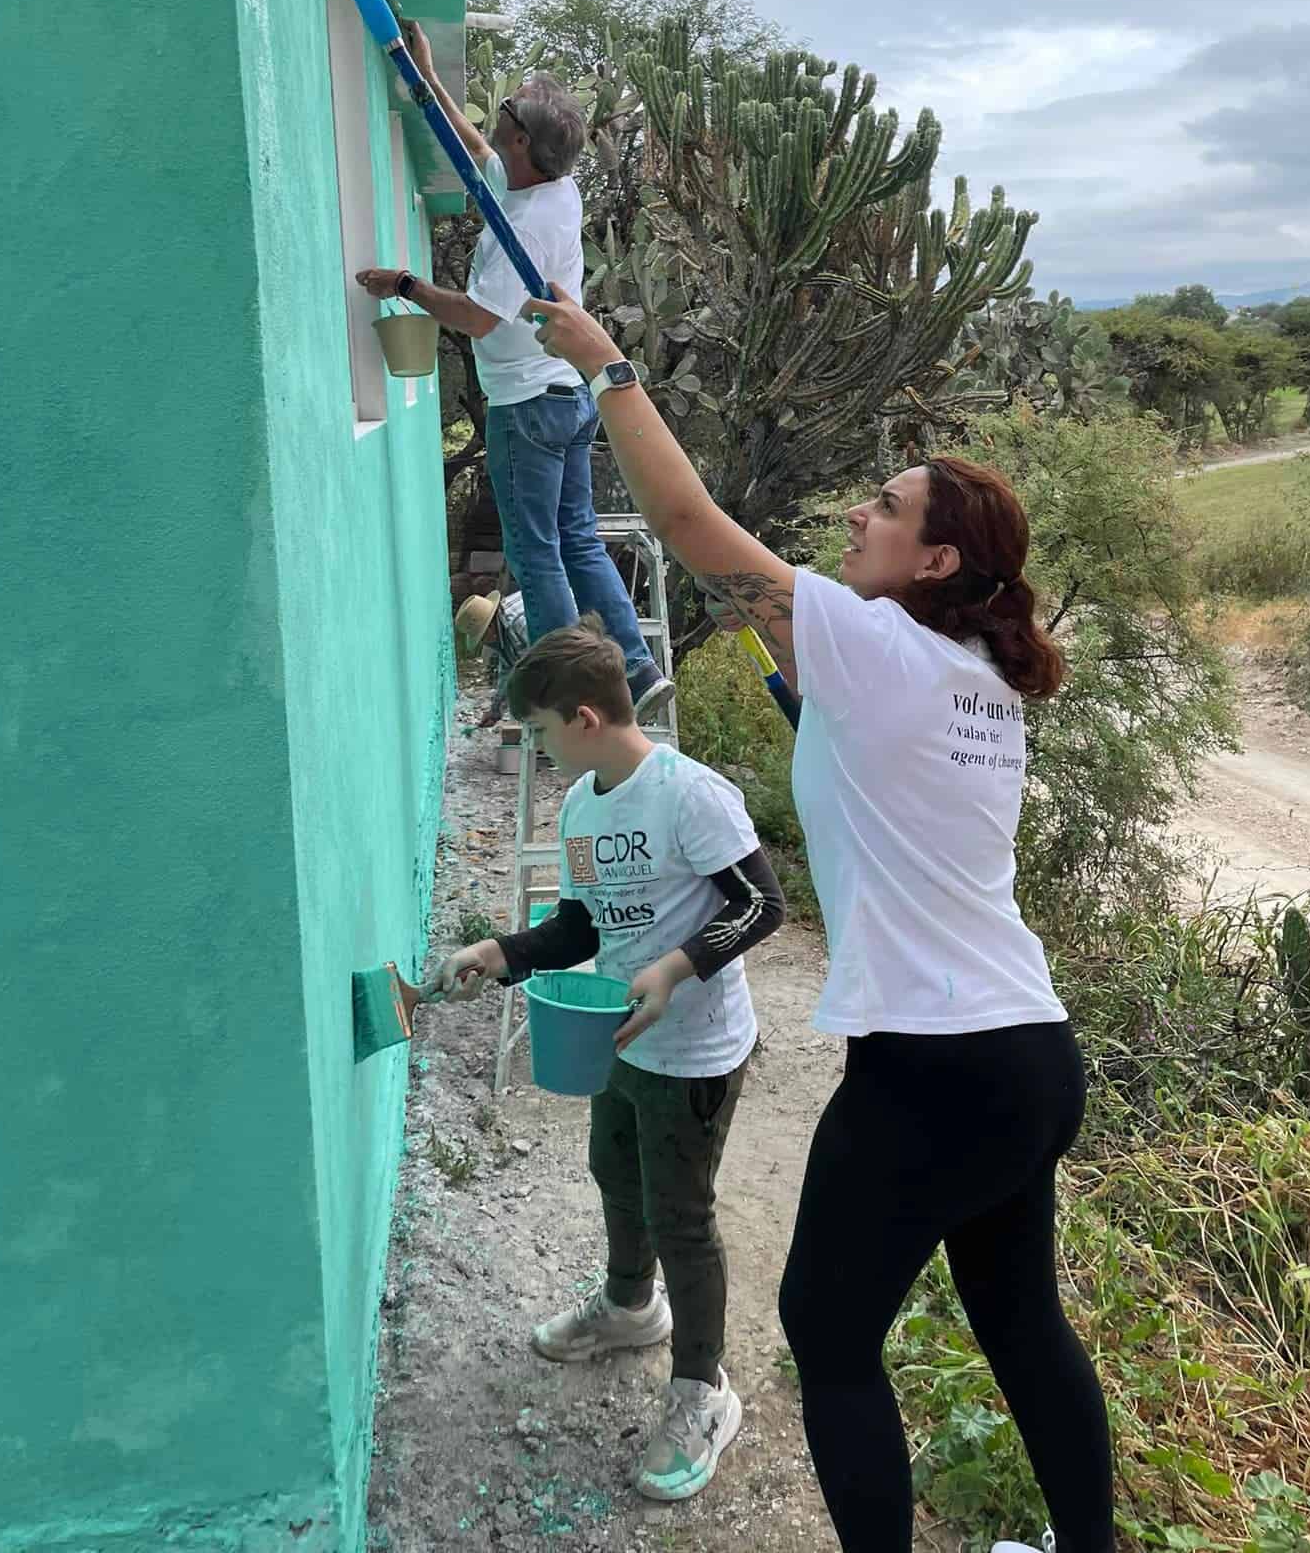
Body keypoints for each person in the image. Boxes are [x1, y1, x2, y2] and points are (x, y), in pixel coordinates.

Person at [516, 288, 1116, 1553]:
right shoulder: (980, 683)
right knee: (1020, 1319)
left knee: (829, 1337)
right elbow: (856, 755)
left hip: (933, 1066)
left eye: (887, 510)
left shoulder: (880, 650)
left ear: (938, 561)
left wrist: (606, 363)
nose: (860, 512)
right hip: (1030, 1054)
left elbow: (684, 525)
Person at [434, 616, 785, 1503]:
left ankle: (705, 1390)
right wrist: (503, 954)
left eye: (541, 732)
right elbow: (583, 925)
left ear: (585, 716)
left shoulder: (688, 795)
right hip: (620, 1036)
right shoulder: (585, 801)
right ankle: (631, 1309)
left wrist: (673, 967)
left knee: (682, 1215)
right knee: (611, 1168)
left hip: (696, 1046)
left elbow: (762, 906)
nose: (537, 748)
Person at [356, 24, 674, 722]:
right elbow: (476, 154)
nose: (495, 122)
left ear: (524, 142)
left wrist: (404, 283)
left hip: (526, 406)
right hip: (568, 397)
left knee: (536, 552)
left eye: (504, 117)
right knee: (577, 538)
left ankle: (567, 685)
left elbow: (476, 318)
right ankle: (640, 669)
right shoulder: (551, 190)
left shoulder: (526, 228)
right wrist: (426, 77)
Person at [453, 585, 528, 727]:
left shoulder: (519, 622)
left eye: (480, 636)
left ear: (489, 628)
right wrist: (495, 710)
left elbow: (548, 659)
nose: (482, 642)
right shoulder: (502, 630)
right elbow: (508, 670)